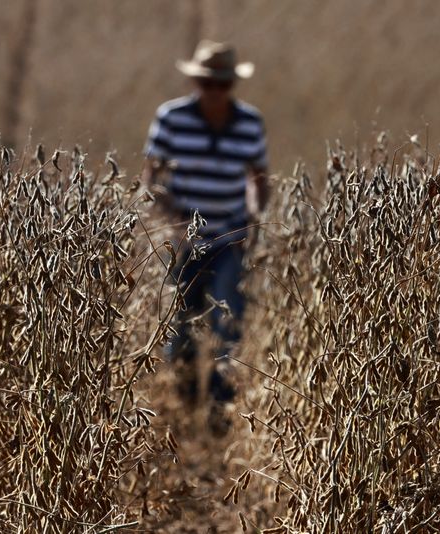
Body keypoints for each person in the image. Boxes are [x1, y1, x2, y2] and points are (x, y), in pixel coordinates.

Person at [141, 40, 269, 435]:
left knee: (226, 323)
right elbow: (152, 179)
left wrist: (252, 221)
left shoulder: (250, 123)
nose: (215, 91)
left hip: (230, 239)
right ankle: (182, 409)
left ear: (232, 85)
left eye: (223, 84)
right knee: (181, 325)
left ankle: (219, 415)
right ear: (197, 82)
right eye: (209, 83)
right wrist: (175, 222)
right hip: (184, 241)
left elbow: (260, 179)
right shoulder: (172, 118)